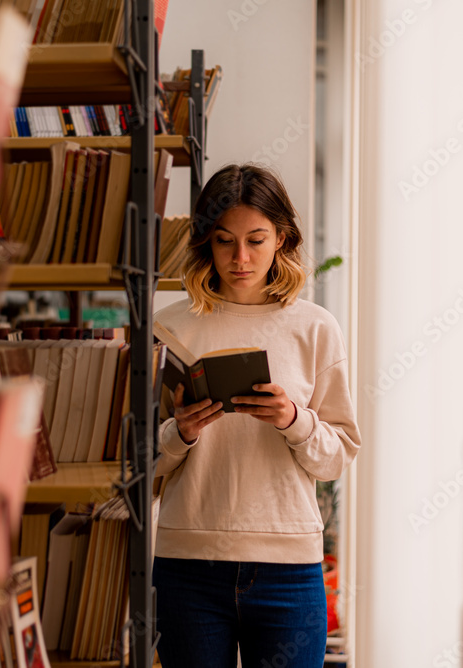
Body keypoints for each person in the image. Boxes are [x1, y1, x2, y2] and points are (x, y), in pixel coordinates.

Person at [152, 164, 362, 668]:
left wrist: (294, 419)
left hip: (288, 569)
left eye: (256, 239)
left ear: (282, 238)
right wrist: (180, 432)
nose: (240, 258)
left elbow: (338, 456)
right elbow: (138, 461)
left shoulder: (315, 328)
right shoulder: (169, 326)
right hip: (189, 565)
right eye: (224, 241)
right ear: (206, 241)